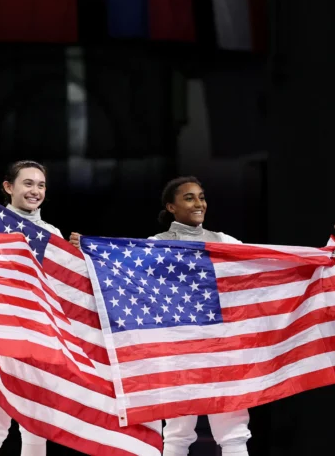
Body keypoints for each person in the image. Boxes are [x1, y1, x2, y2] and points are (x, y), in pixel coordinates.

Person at [69, 176, 252, 456]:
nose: (199, 203)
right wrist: (89, 249)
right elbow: (118, 267)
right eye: (189, 198)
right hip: (177, 346)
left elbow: (267, 261)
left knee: (233, 432)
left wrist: (325, 255)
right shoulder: (154, 245)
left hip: (219, 345)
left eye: (201, 197)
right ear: (171, 207)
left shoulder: (223, 241)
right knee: (178, 432)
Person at [0, 161, 61, 456]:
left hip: (39, 334)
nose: (35, 191)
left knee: (37, 422)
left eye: (41, 185)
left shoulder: (53, 233)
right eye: (28, 183)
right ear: (8, 187)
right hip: (0, 333)